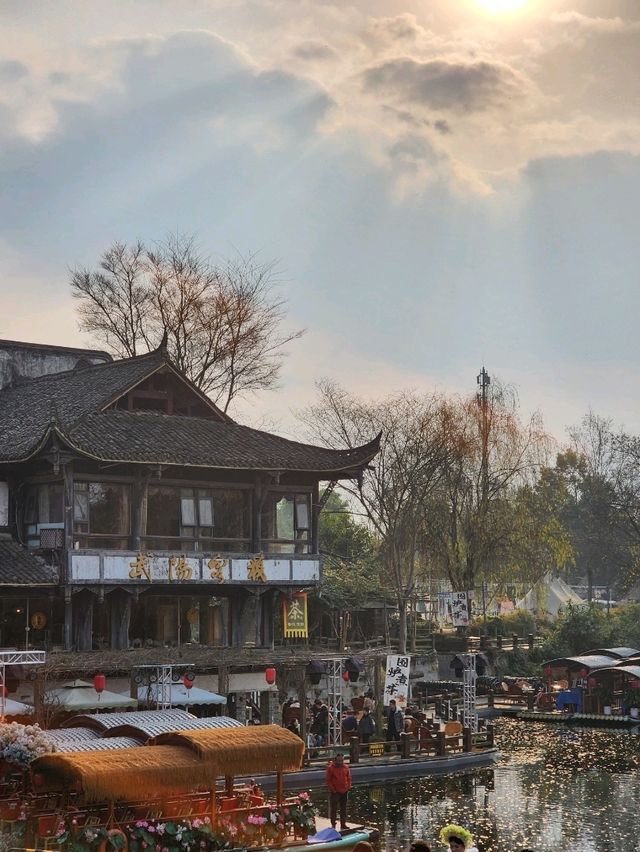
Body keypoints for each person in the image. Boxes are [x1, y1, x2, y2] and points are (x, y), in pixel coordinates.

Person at [325, 752, 352, 831]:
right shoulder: (331, 768)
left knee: (343, 809)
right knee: (334, 809)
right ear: (335, 760)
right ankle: (333, 824)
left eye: (342, 760)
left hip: (344, 791)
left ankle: (343, 824)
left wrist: (348, 787)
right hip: (335, 791)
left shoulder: (346, 767)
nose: (340, 762)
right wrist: (333, 790)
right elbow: (328, 780)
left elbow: (349, 778)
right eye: (339, 761)